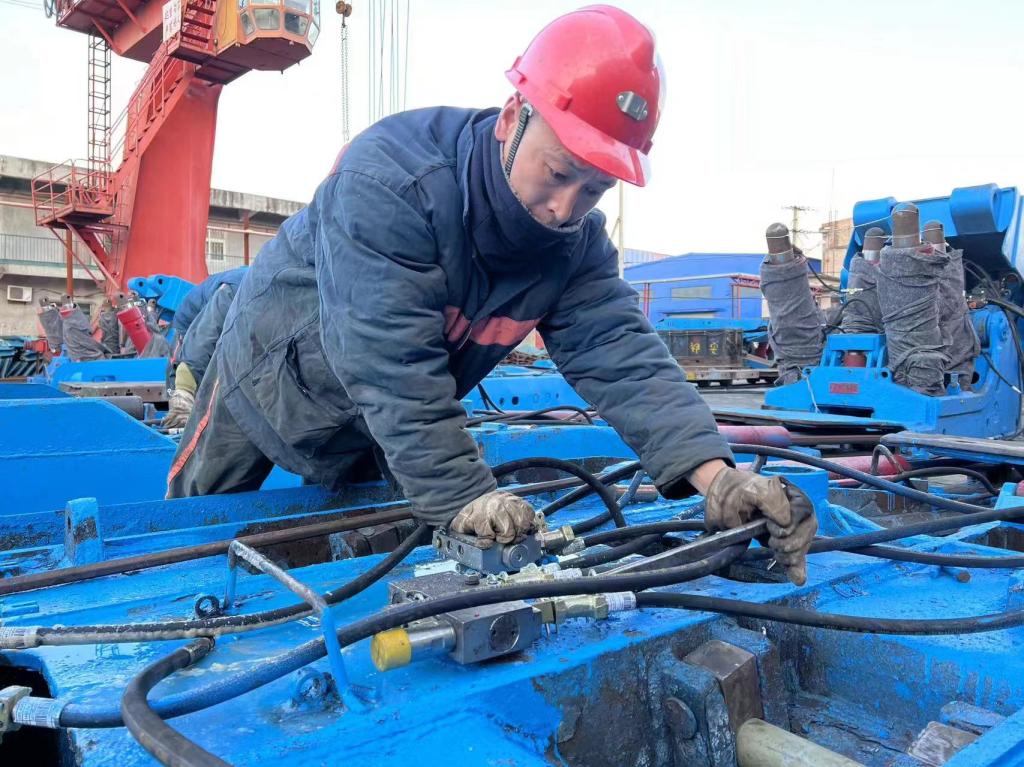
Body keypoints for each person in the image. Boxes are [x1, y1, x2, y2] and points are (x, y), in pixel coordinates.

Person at [167, 5, 816, 584]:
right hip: (263, 383)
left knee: (370, 555)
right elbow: (386, 357)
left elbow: (624, 360)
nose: (565, 208)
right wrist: (461, 493)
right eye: (558, 172)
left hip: (374, 425)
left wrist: (718, 478)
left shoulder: (574, 247)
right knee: (180, 543)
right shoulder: (391, 182)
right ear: (512, 118)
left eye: (594, 190)